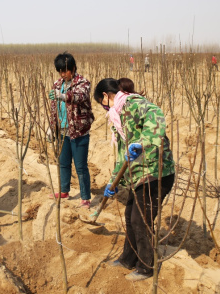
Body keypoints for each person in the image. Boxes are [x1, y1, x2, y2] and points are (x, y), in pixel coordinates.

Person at [93, 78, 175, 281]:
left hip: (156, 173)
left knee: (141, 221)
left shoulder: (133, 103)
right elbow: (123, 155)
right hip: (139, 175)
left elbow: (156, 115)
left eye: (103, 103)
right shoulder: (119, 117)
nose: (105, 108)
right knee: (130, 217)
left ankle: (147, 267)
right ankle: (127, 259)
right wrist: (113, 183)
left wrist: (142, 143)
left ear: (106, 95)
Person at [48, 52, 94, 208]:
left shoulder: (83, 83)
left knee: (80, 166)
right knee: (63, 163)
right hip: (62, 131)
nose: (63, 74)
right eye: (60, 71)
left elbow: (80, 96)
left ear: (73, 68)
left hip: (78, 131)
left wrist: (63, 96)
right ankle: (64, 190)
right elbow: (54, 107)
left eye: (66, 70)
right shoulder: (57, 84)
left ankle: (85, 197)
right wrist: (51, 126)